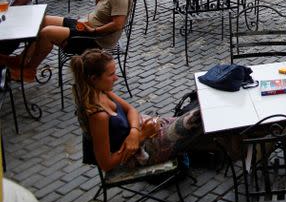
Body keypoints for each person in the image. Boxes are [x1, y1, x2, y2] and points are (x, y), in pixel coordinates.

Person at [72, 49, 203, 173]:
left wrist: (134, 132)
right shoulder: (98, 116)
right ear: (94, 79)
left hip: (143, 132)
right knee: (196, 120)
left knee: (198, 117)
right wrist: (142, 136)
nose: (116, 78)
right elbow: (106, 164)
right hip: (140, 153)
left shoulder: (102, 91)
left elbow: (131, 110)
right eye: (111, 74)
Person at [9, 0, 132, 82]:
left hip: (95, 40)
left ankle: (30, 70)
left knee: (46, 33)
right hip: (86, 27)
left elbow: (117, 24)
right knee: (43, 20)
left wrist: (94, 30)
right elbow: (102, 13)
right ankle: (23, 58)